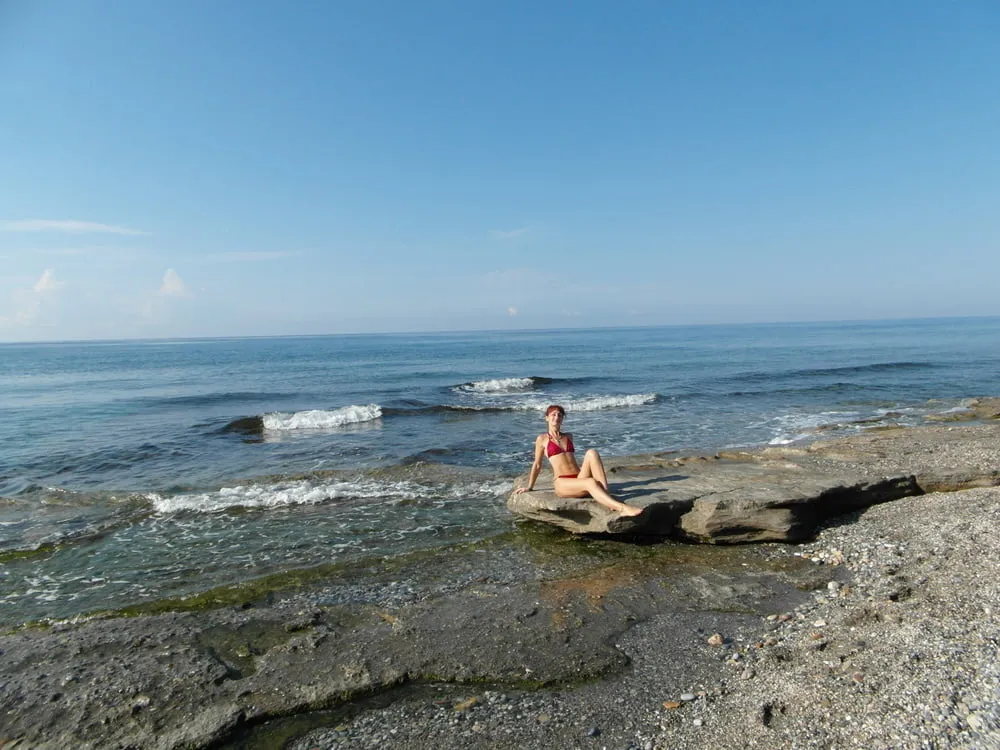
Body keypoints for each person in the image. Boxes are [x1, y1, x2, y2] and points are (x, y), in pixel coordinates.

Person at [514, 404, 643, 516]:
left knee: (592, 453)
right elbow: (537, 464)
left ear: (562, 419)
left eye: (559, 415)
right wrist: (529, 487)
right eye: (553, 415)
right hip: (562, 482)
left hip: (578, 477)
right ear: (546, 418)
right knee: (591, 482)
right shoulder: (542, 439)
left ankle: (606, 496)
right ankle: (622, 508)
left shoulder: (569, 436)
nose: (556, 417)